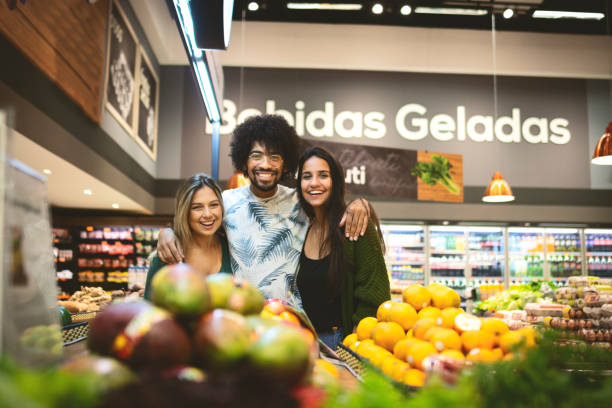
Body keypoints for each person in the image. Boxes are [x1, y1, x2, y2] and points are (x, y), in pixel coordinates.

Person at [157, 114, 371, 301]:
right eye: (256, 156)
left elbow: (332, 206)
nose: (265, 165)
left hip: (290, 318)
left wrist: (360, 204)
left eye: (274, 157)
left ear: (285, 164)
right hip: (241, 315)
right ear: (243, 162)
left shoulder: (301, 202)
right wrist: (167, 232)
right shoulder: (226, 201)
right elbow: (194, 224)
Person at [293, 147, 391, 349]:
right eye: (306, 176)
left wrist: (354, 345)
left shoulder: (356, 227)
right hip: (306, 341)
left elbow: (374, 294)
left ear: (335, 181)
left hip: (342, 342)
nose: (314, 183)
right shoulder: (303, 229)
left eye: (323, 175)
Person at [144, 173, 231, 299]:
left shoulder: (231, 245)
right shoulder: (167, 254)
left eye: (213, 205)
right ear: (185, 212)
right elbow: (149, 310)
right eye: (197, 207)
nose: (208, 214)